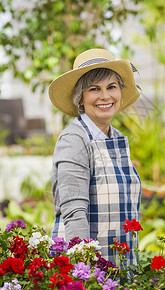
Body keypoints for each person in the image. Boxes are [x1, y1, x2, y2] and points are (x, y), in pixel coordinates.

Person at [49, 48, 141, 265]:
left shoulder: (115, 137)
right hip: (88, 271)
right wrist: (86, 271)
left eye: (112, 87)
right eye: (94, 89)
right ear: (80, 98)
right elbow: (74, 214)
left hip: (119, 264)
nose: (105, 96)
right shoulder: (74, 139)